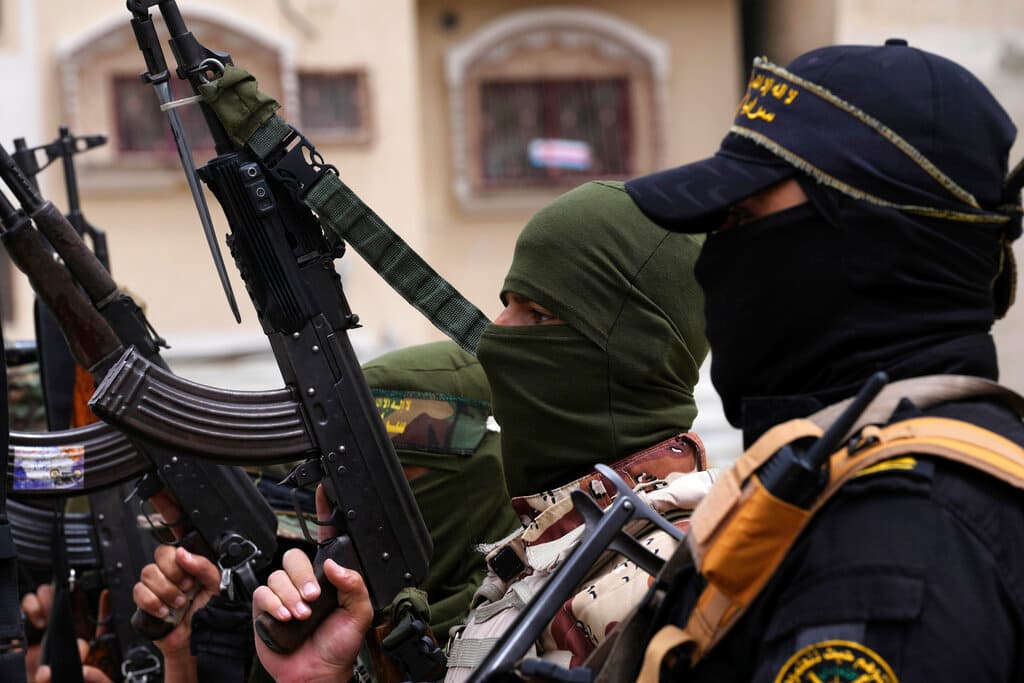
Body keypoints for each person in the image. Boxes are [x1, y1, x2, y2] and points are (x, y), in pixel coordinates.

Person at [616, 39, 1024, 681]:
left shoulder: (896, 533)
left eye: (742, 218)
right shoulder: (834, 480)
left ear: (873, 244)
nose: (713, 260)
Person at [252, 178, 713, 681]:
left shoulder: (665, 581)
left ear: (632, 355)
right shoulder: (546, 557)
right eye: (507, 303)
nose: (496, 335)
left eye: (538, 314)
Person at [131, 340, 522, 682]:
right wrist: (185, 656)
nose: (355, 497)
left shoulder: (526, 629)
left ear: (477, 481)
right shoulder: (330, 630)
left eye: (389, 475)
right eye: (344, 475)